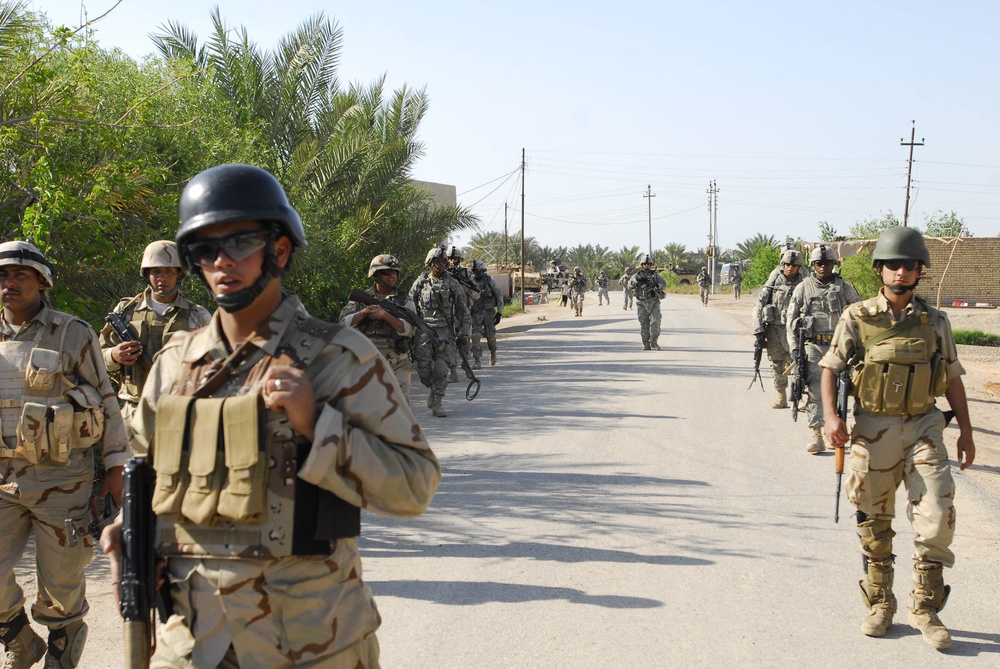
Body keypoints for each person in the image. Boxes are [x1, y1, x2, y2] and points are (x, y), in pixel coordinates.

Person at [100, 164, 440, 668]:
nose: (221, 261)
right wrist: (129, 525)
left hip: (308, 641)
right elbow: (151, 472)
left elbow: (413, 487)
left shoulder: (337, 359)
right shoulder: (174, 365)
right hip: (193, 642)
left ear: (279, 250)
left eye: (238, 243)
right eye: (204, 249)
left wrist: (316, 424)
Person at [819, 227, 975, 650]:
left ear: (920, 271)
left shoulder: (936, 321)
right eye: (893, 264)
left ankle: (925, 608)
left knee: (938, 513)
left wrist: (966, 429)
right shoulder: (858, 317)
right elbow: (830, 367)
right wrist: (831, 418)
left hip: (924, 426)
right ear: (880, 270)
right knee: (875, 520)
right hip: (873, 428)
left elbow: (953, 378)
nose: (901, 272)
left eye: (909, 265)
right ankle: (880, 603)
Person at [0, 241, 130, 669]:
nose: (9, 282)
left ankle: (60, 651)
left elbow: (108, 401)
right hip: (2, 478)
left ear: (42, 281)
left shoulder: (73, 332)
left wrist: (115, 465)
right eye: (2, 275)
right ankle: (19, 639)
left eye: (20, 274)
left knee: (62, 584)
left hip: (62, 481)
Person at [100, 240, 211, 438]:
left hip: (180, 411)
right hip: (133, 410)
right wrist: (114, 356)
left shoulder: (197, 315)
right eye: (156, 271)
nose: (162, 278)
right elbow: (96, 358)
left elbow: (216, 365)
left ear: (179, 274)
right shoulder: (125, 311)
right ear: (147, 274)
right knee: (131, 469)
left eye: (169, 271)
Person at [785, 245, 861, 453]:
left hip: (840, 348)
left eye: (827, 263)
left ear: (834, 264)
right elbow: (790, 319)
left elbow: (859, 311)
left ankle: (839, 432)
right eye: (819, 263)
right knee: (816, 391)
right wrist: (793, 348)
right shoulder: (803, 287)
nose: (823, 267)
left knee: (845, 390)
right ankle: (817, 434)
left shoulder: (844, 287)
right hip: (813, 347)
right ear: (812, 265)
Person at [340, 254, 416, 400]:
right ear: (376, 275)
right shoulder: (361, 299)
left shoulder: (404, 301)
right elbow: (343, 325)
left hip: (397, 363)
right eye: (387, 272)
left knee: (399, 413)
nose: (392, 276)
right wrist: (363, 312)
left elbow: (409, 330)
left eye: (395, 272)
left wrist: (385, 315)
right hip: (366, 364)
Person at [411, 245, 471, 417]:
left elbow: (463, 310)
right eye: (437, 261)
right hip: (424, 331)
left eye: (443, 261)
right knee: (423, 371)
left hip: (445, 332)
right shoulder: (420, 283)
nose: (441, 264)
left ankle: (437, 402)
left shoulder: (452, 283)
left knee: (440, 369)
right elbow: (410, 307)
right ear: (430, 263)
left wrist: (464, 333)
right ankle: (433, 389)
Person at [752, 248, 804, 409]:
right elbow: (759, 305)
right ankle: (781, 396)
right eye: (787, 264)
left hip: (795, 331)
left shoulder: (805, 283)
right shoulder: (774, 281)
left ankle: (799, 397)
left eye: (794, 265)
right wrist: (758, 329)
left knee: (798, 364)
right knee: (777, 364)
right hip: (774, 329)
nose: (791, 268)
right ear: (783, 264)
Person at [445, 246, 477, 384]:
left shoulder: (466, 275)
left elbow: (477, 294)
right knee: (449, 344)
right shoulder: (443, 275)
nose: (452, 261)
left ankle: (466, 364)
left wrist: (466, 290)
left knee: (464, 341)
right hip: (448, 315)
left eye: (455, 258)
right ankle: (452, 372)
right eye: (450, 258)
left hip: (464, 314)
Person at [469, 260, 504, 368]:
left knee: (491, 337)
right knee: (475, 336)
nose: (477, 273)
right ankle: (477, 360)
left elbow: (499, 295)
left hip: (489, 313)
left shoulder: (489, 281)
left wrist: (499, 313)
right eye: (475, 270)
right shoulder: (470, 282)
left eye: (479, 270)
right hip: (476, 313)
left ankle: (493, 353)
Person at [629, 254, 667, 350]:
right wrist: (636, 282)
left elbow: (664, 284)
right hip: (641, 302)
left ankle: (654, 342)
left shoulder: (655, 275)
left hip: (654, 302)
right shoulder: (636, 276)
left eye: (649, 264)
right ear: (642, 265)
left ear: (651, 265)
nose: (647, 265)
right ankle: (646, 343)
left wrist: (658, 286)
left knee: (655, 322)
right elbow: (629, 286)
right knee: (644, 323)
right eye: (645, 264)